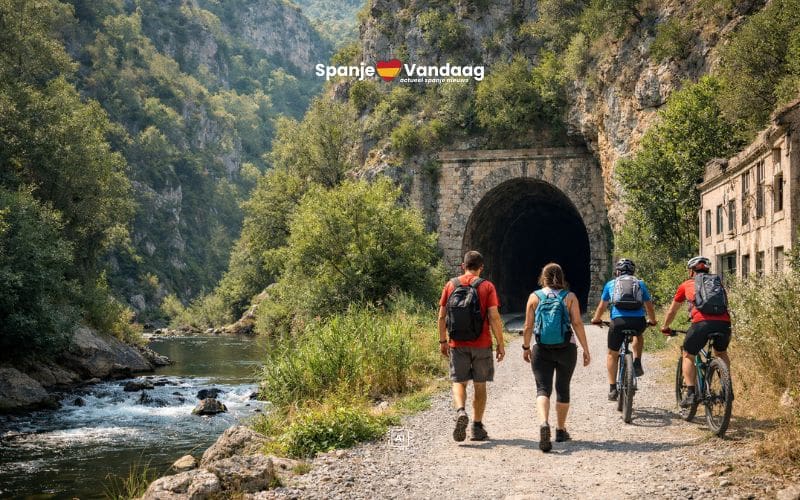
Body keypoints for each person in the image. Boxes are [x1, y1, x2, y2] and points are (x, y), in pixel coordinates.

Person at [522, 262, 591, 452]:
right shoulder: (570, 297)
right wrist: (585, 349)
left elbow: (528, 326)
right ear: (562, 277)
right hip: (566, 348)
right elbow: (577, 323)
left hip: (541, 348)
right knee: (563, 387)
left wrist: (526, 347)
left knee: (542, 388)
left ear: (543, 277)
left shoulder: (534, 297)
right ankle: (560, 430)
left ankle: (544, 423)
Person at [438, 251, 505, 442]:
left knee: (459, 381)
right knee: (480, 384)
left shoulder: (451, 285)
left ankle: (461, 412)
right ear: (481, 267)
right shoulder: (487, 286)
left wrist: (443, 341)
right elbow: (494, 317)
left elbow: (442, 316)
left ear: (463, 266)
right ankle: (476, 426)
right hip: (482, 343)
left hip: (457, 343)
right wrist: (500, 343)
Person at [660, 256, 732, 407]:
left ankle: (691, 393)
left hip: (701, 324)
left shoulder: (686, 285)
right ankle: (727, 388)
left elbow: (673, 310)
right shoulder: (717, 283)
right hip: (724, 324)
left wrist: (665, 326)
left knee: (688, 354)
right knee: (721, 353)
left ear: (691, 271)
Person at [590, 258, 657, 401]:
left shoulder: (611, 284)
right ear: (633, 271)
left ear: (617, 271)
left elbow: (602, 306)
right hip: (638, 321)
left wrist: (596, 319)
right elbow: (649, 306)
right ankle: (637, 361)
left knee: (611, 354)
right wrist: (652, 321)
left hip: (618, 322)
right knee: (638, 335)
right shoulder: (640, 283)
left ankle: (613, 388)